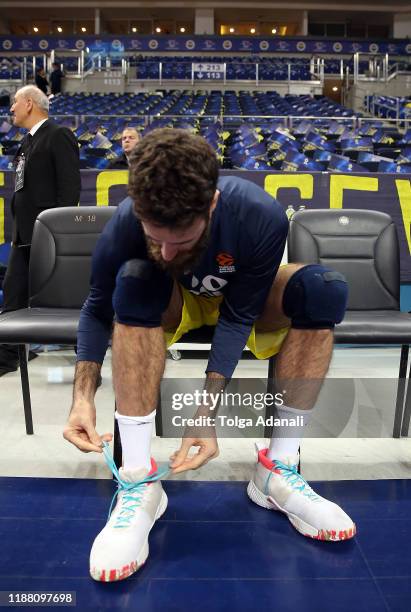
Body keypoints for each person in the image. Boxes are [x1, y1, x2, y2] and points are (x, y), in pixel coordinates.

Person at [63, 128, 355, 583]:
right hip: (172, 300)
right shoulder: (126, 220)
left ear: (212, 205)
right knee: (137, 276)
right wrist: (82, 396)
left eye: (180, 239)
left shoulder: (259, 215)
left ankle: (277, 470)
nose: (166, 249)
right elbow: (96, 307)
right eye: (153, 234)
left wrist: (204, 413)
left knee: (322, 289)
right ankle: (140, 481)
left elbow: (238, 316)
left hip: (242, 302)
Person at [0, 85, 81, 375]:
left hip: (49, 237)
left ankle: (87, 358)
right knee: (12, 294)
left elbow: (70, 189)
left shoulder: (58, 135)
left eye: (15, 103)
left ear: (31, 104)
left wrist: (60, 233)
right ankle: (9, 357)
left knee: (68, 299)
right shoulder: (27, 142)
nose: (11, 109)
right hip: (24, 236)